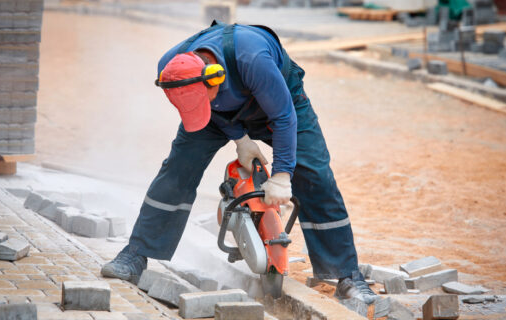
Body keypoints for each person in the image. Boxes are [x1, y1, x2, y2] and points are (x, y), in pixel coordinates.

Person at [101, 21, 377, 304]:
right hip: (216, 112)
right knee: (177, 169)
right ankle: (135, 254)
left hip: (282, 103)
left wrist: (282, 175)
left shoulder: (252, 59)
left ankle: (347, 275)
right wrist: (240, 138)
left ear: (214, 78)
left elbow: (284, 118)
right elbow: (205, 111)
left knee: (315, 174)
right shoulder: (171, 68)